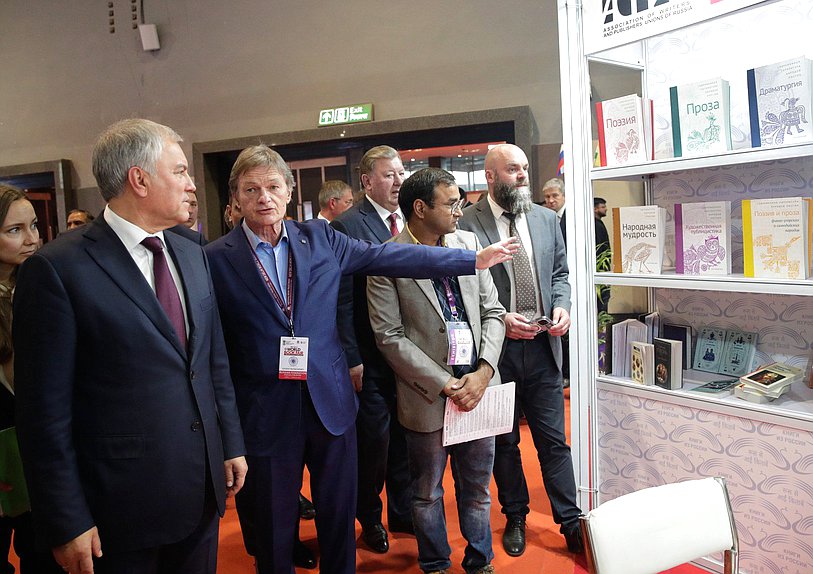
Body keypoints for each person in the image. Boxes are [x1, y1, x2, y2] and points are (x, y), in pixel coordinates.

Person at [204, 144, 517, 574]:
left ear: (290, 191)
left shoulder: (321, 237)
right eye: (251, 189)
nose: (264, 198)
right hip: (264, 409)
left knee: (337, 513)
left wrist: (469, 260)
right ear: (236, 197)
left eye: (273, 186)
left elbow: (387, 255)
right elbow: (213, 350)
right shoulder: (214, 260)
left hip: (328, 401)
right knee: (274, 525)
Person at [13, 118, 247, 574]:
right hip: (118, 507)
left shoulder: (192, 250)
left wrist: (229, 441)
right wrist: (66, 518)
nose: (192, 183)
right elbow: (43, 414)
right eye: (179, 171)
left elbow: (211, 360)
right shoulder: (58, 269)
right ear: (138, 179)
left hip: (200, 491)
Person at [367, 168, 505, 574]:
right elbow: (389, 336)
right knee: (426, 493)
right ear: (420, 208)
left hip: (478, 389)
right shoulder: (387, 258)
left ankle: (480, 562)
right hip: (428, 395)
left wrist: (483, 371)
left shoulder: (468, 244)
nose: (460, 211)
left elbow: (493, 312)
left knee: (478, 490)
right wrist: (445, 384)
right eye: (451, 203)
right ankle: (435, 564)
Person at [458, 144, 584, 558]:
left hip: (545, 350)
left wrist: (562, 303)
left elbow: (561, 273)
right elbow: (461, 288)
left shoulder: (546, 219)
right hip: (498, 355)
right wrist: (501, 318)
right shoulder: (467, 224)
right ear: (491, 176)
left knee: (553, 442)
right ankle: (515, 515)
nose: (523, 176)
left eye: (525, 168)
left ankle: (571, 523)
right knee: (505, 443)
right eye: (513, 170)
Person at [330, 145, 413, 554]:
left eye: (401, 172)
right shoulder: (347, 226)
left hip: (410, 356)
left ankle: (401, 510)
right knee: (374, 447)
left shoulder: (412, 220)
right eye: (389, 175)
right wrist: (352, 357)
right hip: (370, 354)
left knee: (405, 439)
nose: (399, 181)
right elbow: (342, 299)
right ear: (366, 182)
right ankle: (369, 517)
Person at [0, 185, 63, 574]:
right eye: (15, 230)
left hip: (38, 446)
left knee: (43, 553)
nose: (32, 239)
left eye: (35, 226)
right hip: (5, 444)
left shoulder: (39, 284)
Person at [542, 177, 570, 388]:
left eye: (554, 196)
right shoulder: (547, 220)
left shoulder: (573, 219)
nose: (550, 200)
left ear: (564, 196)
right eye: (547, 197)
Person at [594, 197, 611, 313]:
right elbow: (601, 250)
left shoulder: (597, 224)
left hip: (602, 270)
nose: (606, 209)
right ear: (595, 209)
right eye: (603, 207)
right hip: (601, 270)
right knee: (602, 305)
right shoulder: (596, 226)